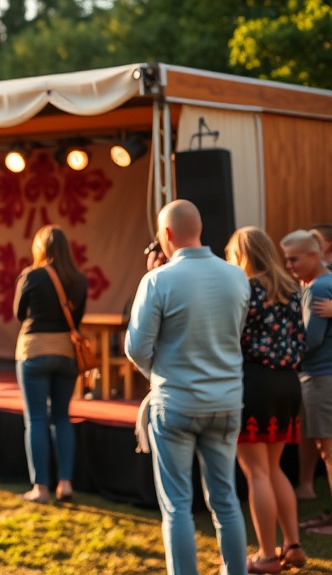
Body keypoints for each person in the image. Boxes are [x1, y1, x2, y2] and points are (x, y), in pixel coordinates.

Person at [126, 200, 250, 575]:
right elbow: (234, 334)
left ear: (166, 234)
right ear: (199, 229)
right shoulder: (237, 276)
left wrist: (158, 373)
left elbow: (136, 348)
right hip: (226, 400)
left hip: (176, 402)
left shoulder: (157, 280)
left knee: (177, 506)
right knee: (226, 500)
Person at [226, 227, 307, 572]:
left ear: (240, 255)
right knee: (273, 468)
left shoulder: (243, 289)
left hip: (254, 382)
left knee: (257, 472)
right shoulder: (291, 289)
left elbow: (231, 337)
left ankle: (267, 556)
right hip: (288, 383)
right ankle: (293, 546)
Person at [13, 225, 87, 504]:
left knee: (36, 419)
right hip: (66, 353)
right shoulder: (79, 279)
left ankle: (40, 488)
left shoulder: (31, 275)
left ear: (40, 248)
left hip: (34, 351)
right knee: (62, 417)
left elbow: (19, 313)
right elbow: (77, 320)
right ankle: (65, 483)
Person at [279, 229, 332, 531]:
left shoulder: (319, 287)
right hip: (321, 377)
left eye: (294, 259)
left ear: (314, 255)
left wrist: (276, 349)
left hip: (321, 378)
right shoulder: (322, 283)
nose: (288, 266)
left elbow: (309, 340)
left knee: (329, 452)